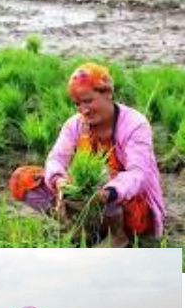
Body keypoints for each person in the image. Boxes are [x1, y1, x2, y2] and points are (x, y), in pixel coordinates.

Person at [10, 63, 166, 247]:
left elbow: (138, 174)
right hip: (89, 200)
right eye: (77, 104)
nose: (83, 110)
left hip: (130, 208)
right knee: (22, 179)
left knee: (106, 178)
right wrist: (59, 181)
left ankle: (118, 236)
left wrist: (108, 193)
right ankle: (80, 226)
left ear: (107, 93)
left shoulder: (134, 125)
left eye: (88, 101)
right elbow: (56, 158)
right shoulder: (75, 125)